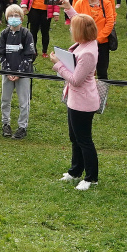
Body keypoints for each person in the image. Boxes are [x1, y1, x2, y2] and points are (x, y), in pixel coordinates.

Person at [52, 13, 101, 191]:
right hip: (75, 100)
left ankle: (91, 177)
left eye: (74, 27)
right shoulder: (85, 43)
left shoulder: (87, 52)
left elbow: (76, 80)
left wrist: (58, 64)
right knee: (75, 138)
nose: (71, 29)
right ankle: (75, 171)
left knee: (84, 140)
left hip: (83, 102)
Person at [0, 5, 36, 139]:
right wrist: (8, 71)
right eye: (11, 16)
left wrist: (19, 72)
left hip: (23, 74)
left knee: (23, 101)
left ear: (22, 18)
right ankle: (5, 124)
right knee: (5, 99)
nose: (14, 18)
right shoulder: (4, 34)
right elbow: (0, 54)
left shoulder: (26, 34)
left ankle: (22, 126)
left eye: (16, 16)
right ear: (7, 18)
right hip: (7, 73)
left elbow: (29, 55)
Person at [65, 0, 116, 79]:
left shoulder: (106, 3)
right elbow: (76, 21)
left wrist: (98, 39)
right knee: (83, 71)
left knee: (102, 72)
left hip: (102, 43)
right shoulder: (79, 3)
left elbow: (110, 22)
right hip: (84, 43)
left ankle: (102, 95)